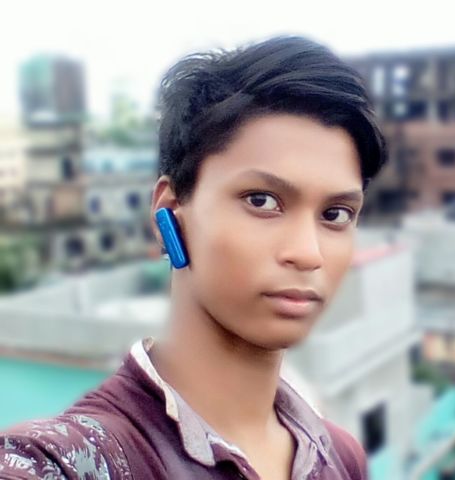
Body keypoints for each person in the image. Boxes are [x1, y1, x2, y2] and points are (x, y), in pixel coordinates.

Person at [0, 35, 386, 479]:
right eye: (262, 201)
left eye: (336, 214)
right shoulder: (67, 461)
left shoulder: (340, 456)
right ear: (169, 213)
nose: (307, 253)